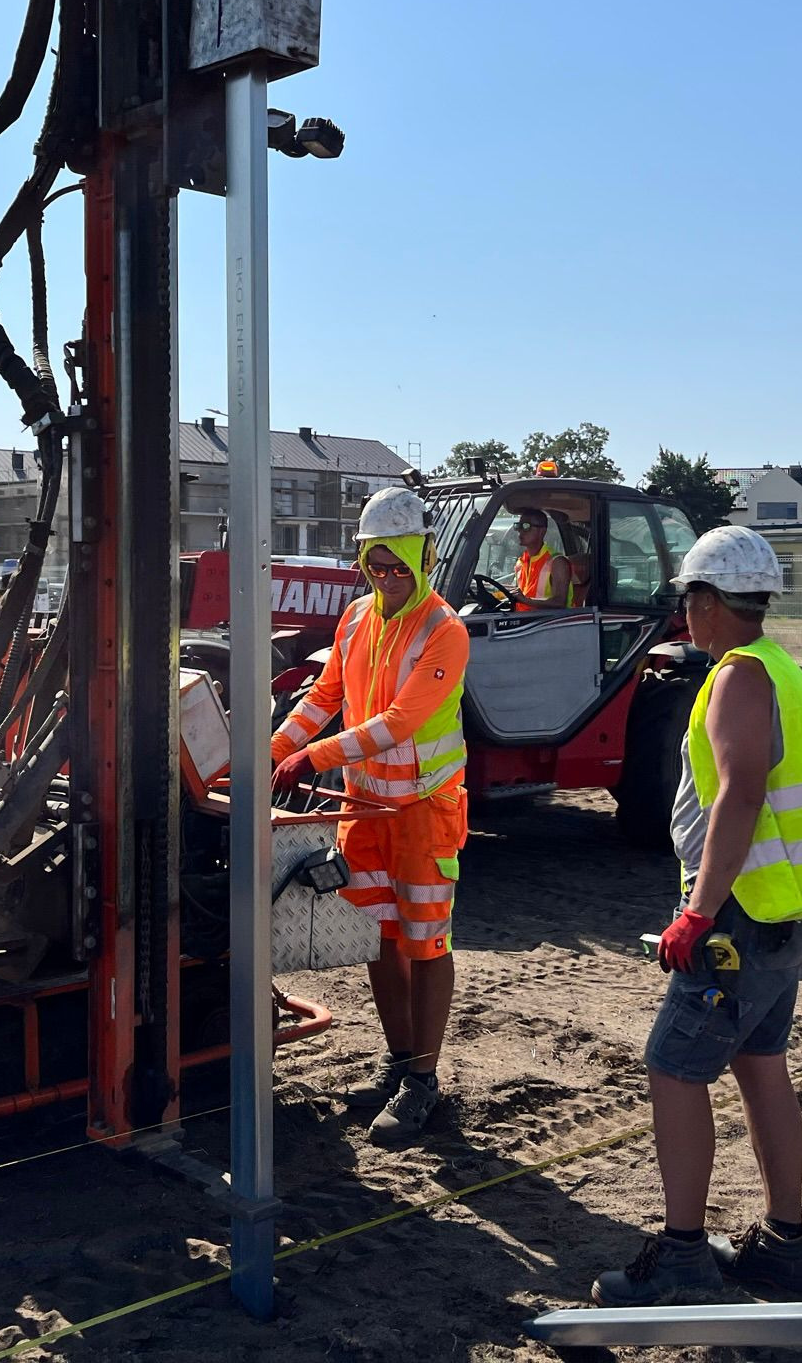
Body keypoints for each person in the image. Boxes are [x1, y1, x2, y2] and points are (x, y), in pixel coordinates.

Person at [594, 524, 802, 1304]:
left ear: (706, 600)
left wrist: (698, 913)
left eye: (687, 601)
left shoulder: (738, 678)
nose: (684, 618)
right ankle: (783, 1249)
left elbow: (740, 793)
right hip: (787, 913)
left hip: (738, 917)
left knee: (673, 1066)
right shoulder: (783, 670)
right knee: (762, 1065)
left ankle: (682, 1257)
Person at [272, 486, 470, 1143]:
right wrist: (269, 751)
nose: (387, 577)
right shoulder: (356, 618)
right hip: (366, 810)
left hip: (423, 812)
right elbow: (324, 695)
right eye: (377, 565)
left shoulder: (446, 631)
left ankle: (423, 1082)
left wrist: (312, 758)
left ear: (423, 556)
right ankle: (399, 1063)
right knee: (379, 939)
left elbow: (399, 722)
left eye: (399, 565)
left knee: (424, 942)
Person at [511, 507, 574, 609]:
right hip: (521, 621)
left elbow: (560, 602)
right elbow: (519, 594)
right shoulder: (521, 562)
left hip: (547, 623)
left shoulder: (557, 562)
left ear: (542, 531)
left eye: (526, 526)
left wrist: (526, 600)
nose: (520, 531)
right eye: (518, 526)